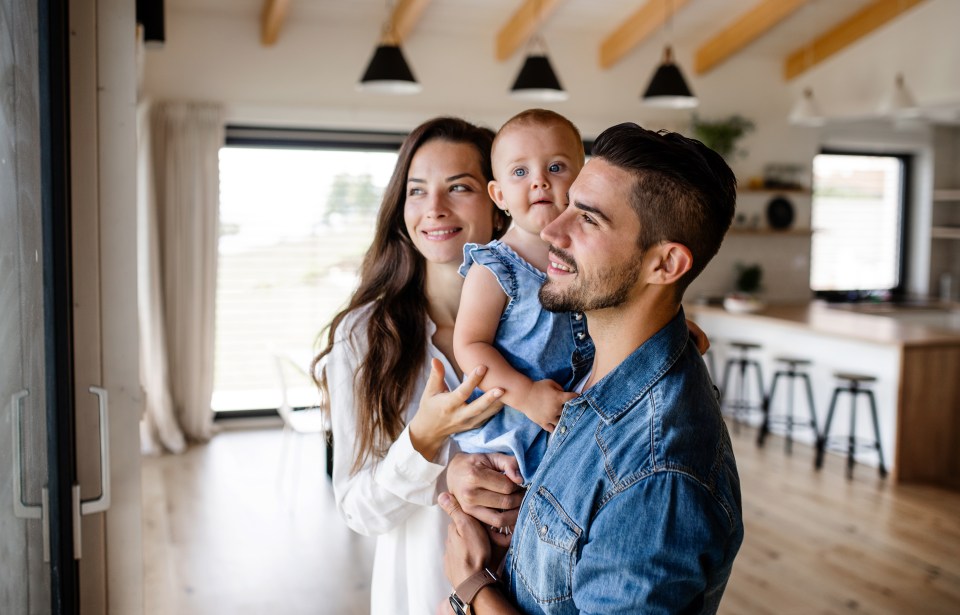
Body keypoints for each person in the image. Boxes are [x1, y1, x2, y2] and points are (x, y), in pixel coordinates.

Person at [440, 122, 745, 614]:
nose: (554, 228)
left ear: (665, 266)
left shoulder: (657, 474)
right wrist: (467, 472)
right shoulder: (597, 381)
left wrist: (471, 590)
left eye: (588, 218)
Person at [313, 117, 514, 615]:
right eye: (417, 191)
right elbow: (357, 508)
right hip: (423, 595)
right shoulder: (363, 337)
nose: (435, 209)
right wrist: (426, 445)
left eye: (459, 187)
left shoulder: (553, 321)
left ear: (499, 201)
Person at [452, 109, 594, 483]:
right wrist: (526, 394)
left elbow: (627, 307)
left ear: (583, 181)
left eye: (557, 167)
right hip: (508, 438)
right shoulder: (493, 267)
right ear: (499, 195)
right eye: (520, 172)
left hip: (574, 435)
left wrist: (666, 326)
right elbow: (469, 345)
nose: (540, 182)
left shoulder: (594, 259)